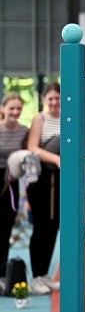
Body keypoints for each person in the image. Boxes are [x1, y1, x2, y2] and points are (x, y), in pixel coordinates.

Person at [25, 82, 61, 294]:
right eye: (51, 99)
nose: (55, 102)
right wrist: (56, 159)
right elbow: (32, 146)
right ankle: (36, 276)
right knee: (40, 226)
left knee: (54, 225)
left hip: (59, 179)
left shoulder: (67, 116)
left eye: (57, 98)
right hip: (41, 178)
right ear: (44, 100)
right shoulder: (40, 118)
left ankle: (45, 274)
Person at [0, 92, 29, 289]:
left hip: (11, 181)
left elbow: (25, 156)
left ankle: (3, 275)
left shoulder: (24, 131)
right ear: (3, 109)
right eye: (12, 108)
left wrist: (16, 172)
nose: (15, 112)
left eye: (19, 108)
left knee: (5, 229)